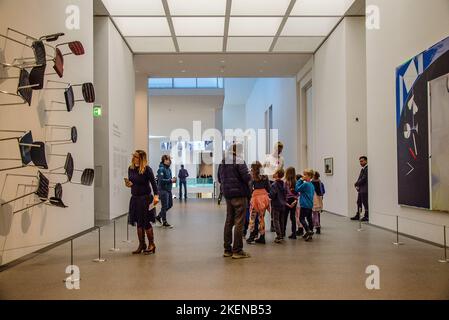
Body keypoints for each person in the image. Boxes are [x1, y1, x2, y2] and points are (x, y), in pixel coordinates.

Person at [218, 143, 252, 259]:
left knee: (229, 221)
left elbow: (219, 178)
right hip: (240, 194)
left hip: (228, 195)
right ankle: (237, 250)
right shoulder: (239, 161)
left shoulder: (223, 162)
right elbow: (247, 178)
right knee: (239, 222)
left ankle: (227, 250)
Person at [125, 150, 159, 255]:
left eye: (135, 156)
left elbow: (154, 184)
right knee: (139, 223)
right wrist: (129, 184)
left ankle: (151, 244)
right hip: (135, 199)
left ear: (141, 158)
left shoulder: (147, 169)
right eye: (133, 155)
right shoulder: (130, 169)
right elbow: (132, 183)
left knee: (146, 222)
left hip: (146, 199)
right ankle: (142, 244)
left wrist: (156, 197)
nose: (133, 157)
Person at [246, 161, 270, 245]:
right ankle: (262, 237)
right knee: (261, 218)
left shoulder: (252, 176)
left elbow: (249, 188)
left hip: (255, 197)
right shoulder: (265, 176)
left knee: (252, 218)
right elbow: (268, 188)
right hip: (264, 197)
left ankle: (252, 236)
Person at [263, 141, 285, 232]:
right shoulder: (268, 158)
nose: (279, 151)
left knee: (276, 203)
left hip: (278, 181)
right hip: (269, 181)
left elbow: (281, 169)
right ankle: (267, 223)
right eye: (278, 149)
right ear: (275, 148)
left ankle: (274, 224)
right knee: (268, 203)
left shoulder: (282, 159)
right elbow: (264, 168)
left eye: (280, 150)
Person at [156, 155, 176, 228]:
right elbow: (160, 181)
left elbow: (168, 179)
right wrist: (170, 180)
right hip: (162, 190)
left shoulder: (169, 169)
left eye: (169, 160)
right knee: (164, 206)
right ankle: (164, 222)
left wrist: (172, 179)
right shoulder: (161, 169)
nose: (169, 161)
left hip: (168, 190)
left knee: (170, 205)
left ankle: (158, 217)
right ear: (164, 160)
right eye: (167, 160)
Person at [295, 169, 315, 241]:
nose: (303, 176)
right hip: (310, 204)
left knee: (301, 218)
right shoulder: (311, 185)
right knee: (309, 219)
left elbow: (297, 189)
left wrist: (300, 180)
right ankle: (310, 234)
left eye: (305, 175)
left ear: (309, 176)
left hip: (304, 204)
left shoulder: (305, 184)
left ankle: (308, 231)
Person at [269, 168, 287, 244]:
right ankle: (282, 234)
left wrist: (268, 195)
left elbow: (272, 195)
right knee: (281, 220)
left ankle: (278, 236)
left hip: (276, 204)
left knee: (275, 220)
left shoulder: (274, 185)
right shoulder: (283, 183)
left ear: (276, 174)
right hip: (283, 205)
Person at [351, 156, 369, 222]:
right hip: (361, 189)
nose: (360, 163)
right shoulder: (363, 169)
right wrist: (357, 184)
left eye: (362, 161)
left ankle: (367, 216)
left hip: (365, 189)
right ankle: (358, 214)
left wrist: (356, 183)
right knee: (359, 202)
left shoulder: (367, 169)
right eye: (360, 161)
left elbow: (364, 178)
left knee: (365, 203)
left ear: (366, 161)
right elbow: (360, 178)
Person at [284, 167, 298, 239]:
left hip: (287, 200)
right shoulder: (296, 182)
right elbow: (298, 193)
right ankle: (294, 233)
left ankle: (283, 232)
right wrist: (295, 201)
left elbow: (284, 192)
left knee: (285, 217)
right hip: (294, 200)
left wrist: (286, 202)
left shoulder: (286, 182)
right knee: (293, 217)